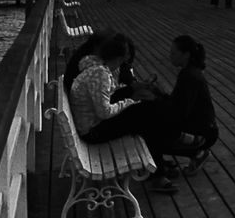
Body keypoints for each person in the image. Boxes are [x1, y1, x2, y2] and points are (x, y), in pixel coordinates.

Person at [69, 33, 177, 192]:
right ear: (118, 58)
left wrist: (131, 96)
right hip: (93, 132)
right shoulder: (100, 73)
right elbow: (104, 112)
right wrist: (129, 102)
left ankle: (158, 165)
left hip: (90, 126)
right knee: (146, 116)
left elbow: (106, 97)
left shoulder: (93, 67)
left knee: (145, 114)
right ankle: (159, 170)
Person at [159, 34, 218, 175]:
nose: (170, 56)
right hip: (205, 128)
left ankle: (196, 152)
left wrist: (158, 102)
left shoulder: (189, 76)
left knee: (152, 131)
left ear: (186, 55)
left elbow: (180, 111)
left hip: (202, 132)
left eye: (173, 53)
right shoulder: (190, 72)